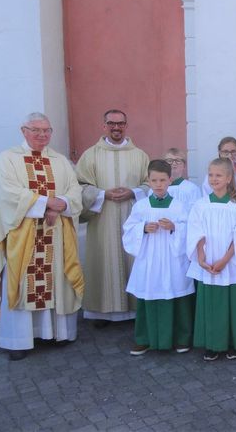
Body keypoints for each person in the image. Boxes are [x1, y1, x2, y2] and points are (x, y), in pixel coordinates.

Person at [0, 113, 84, 361]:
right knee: (22, 282)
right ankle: (18, 340)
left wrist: (61, 204)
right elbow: (10, 194)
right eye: (36, 130)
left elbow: (74, 189)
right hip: (24, 235)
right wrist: (46, 204)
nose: (42, 135)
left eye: (46, 130)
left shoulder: (60, 160)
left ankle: (55, 333)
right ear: (24, 130)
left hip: (55, 234)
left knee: (56, 280)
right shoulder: (8, 158)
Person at [75, 109, 149, 326]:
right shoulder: (90, 155)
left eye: (120, 123)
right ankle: (102, 313)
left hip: (131, 218)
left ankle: (135, 310)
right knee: (103, 260)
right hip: (103, 219)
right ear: (103, 125)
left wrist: (133, 192)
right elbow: (79, 185)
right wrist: (102, 194)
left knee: (132, 259)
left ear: (126, 125)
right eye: (111, 123)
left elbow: (150, 184)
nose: (116, 127)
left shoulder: (140, 155)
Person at [122, 160, 194, 356]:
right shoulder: (141, 206)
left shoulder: (179, 206)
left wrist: (174, 227)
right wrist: (143, 228)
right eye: (154, 180)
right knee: (148, 294)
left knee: (176, 295)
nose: (159, 184)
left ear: (170, 180)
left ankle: (181, 338)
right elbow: (128, 229)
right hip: (150, 259)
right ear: (149, 181)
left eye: (162, 180)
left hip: (172, 259)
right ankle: (144, 339)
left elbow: (189, 229)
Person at [186, 158, 236, 361]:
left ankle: (234, 343)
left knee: (232, 304)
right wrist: (201, 257)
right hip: (207, 264)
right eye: (211, 174)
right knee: (211, 304)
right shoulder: (201, 204)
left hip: (229, 264)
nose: (213, 179)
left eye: (219, 175)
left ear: (229, 178)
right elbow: (195, 232)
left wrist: (224, 260)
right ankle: (212, 343)